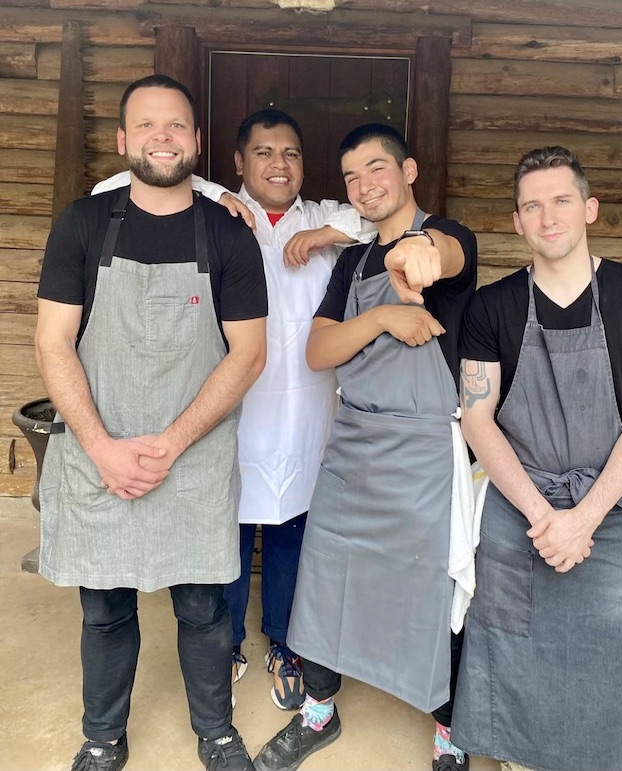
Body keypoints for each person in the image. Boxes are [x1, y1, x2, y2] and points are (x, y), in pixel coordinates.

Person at [95, 108, 375, 710]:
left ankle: (284, 641)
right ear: (239, 162)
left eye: (292, 154)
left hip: (304, 413)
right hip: (226, 406)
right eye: (265, 153)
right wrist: (216, 192)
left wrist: (324, 235)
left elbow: (378, 218)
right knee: (224, 528)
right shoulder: (212, 212)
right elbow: (114, 187)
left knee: (291, 529)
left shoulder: (323, 219)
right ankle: (221, 645)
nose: (280, 164)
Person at [35, 75, 268, 771]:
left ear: (195, 141)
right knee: (104, 609)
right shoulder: (81, 223)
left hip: (190, 457)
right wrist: (104, 447)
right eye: (147, 125)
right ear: (123, 141)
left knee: (202, 609)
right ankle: (103, 735)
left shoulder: (227, 232)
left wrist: (169, 443)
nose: (162, 137)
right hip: (96, 453)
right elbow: (53, 344)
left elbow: (249, 353)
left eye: (176, 126)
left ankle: (216, 734)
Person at [252, 124, 478, 771]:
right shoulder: (351, 262)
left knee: (435, 590)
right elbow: (318, 351)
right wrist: (381, 315)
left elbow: (444, 254)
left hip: (423, 451)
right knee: (325, 577)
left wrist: (419, 258)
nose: (364, 184)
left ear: (408, 170)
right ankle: (319, 709)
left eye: (376, 168)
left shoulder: (450, 238)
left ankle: (451, 733)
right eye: (351, 177)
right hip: (354, 444)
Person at [452, 146, 622, 771]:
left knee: (612, 650)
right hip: (518, 506)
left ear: (590, 208)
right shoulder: (491, 307)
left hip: (611, 507)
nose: (548, 217)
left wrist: (582, 518)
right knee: (511, 649)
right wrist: (541, 513)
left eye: (560, 200)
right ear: (518, 222)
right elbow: (477, 416)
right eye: (532, 206)